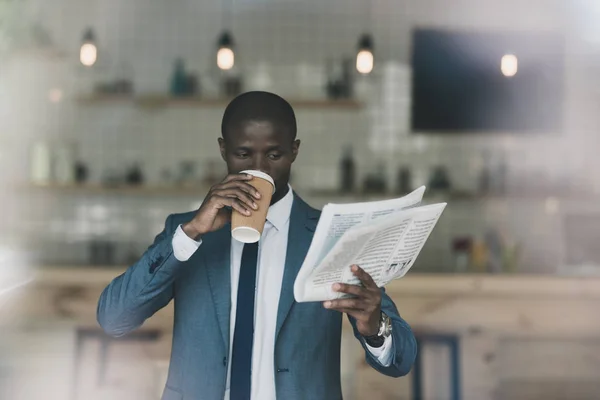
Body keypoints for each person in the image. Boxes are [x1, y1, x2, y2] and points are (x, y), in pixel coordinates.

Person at [97, 91, 417, 400]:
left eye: (274, 155)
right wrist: (192, 231)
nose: (259, 169)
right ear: (223, 149)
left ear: (294, 151)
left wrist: (375, 325)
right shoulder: (187, 232)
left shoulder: (333, 236)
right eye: (243, 154)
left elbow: (400, 361)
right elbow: (114, 319)